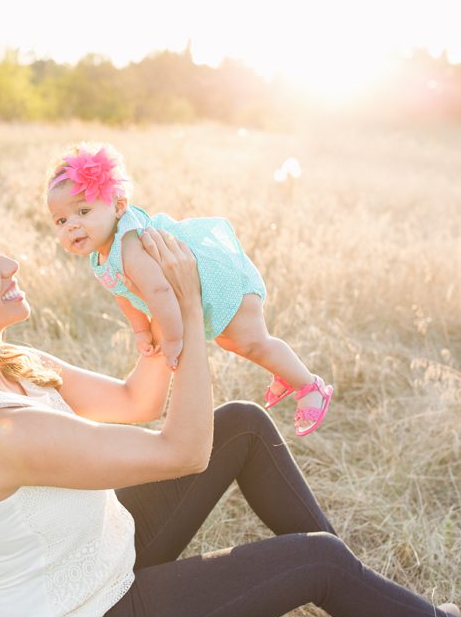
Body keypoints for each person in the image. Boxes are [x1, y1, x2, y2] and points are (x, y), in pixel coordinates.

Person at [0, 214, 461, 617]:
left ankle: (377, 611)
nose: (13, 260)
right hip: (96, 614)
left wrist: (164, 327)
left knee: (242, 423)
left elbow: (135, 401)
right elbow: (178, 447)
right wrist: (185, 303)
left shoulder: (18, 365)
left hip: (105, 558)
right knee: (317, 559)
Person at [45, 142, 330, 437]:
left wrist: (173, 339)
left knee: (253, 342)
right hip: (208, 295)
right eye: (61, 220)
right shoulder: (100, 258)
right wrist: (141, 331)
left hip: (223, 283)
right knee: (232, 342)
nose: (72, 226)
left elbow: (159, 293)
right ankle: (282, 370)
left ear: (119, 206)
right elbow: (125, 297)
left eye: (83, 211)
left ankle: (309, 387)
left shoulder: (129, 246)